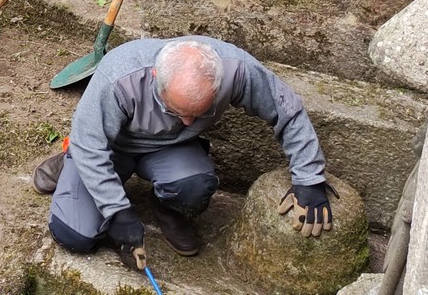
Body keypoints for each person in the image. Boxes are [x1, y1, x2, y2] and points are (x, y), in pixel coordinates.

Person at [33, 37, 337, 272]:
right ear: (156, 77)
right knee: (75, 234)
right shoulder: (119, 74)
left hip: (170, 148)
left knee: (195, 185)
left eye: (199, 113)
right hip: (110, 148)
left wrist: (309, 178)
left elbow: (288, 110)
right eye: (178, 111)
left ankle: (167, 208)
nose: (189, 122)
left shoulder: (234, 69)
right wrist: (117, 212)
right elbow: (91, 144)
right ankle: (72, 163)